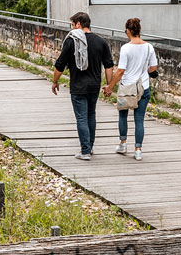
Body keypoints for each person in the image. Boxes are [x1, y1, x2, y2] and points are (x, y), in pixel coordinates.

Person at [52, 12, 114, 161]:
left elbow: (60, 64)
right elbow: (109, 65)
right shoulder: (101, 41)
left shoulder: (72, 40)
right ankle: (90, 147)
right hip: (94, 85)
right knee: (91, 115)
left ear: (79, 23)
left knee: (81, 118)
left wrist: (55, 81)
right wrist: (109, 85)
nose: (72, 28)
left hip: (78, 85)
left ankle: (85, 151)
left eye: (73, 25)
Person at [104, 18, 158, 161]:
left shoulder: (126, 48)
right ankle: (138, 150)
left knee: (123, 116)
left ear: (128, 31)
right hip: (143, 87)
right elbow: (153, 68)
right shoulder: (149, 47)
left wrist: (110, 86)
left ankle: (123, 144)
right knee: (139, 120)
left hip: (127, 87)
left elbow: (121, 71)